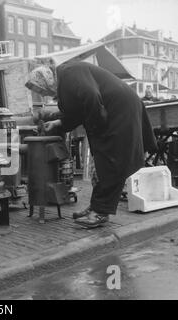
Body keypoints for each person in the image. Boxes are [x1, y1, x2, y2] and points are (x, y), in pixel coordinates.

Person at [26, 60, 157, 229]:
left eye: (42, 90)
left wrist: (98, 130)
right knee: (105, 163)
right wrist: (58, 123)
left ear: (47, 80)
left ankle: (100, 213)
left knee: (112, 161)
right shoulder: (65, 78)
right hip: (115, 109)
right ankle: (97, 207)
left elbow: (92, 97)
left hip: (119, 111)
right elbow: (79, 110)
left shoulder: (69, 73)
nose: (44, 94)